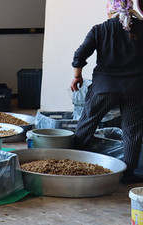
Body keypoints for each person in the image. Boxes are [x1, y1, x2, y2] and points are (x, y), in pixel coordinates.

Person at [70, 0, 143, 183]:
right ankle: (127, 174)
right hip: (135, 89)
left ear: (110, 10)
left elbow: (79, 55)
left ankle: (72, 164)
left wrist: (77, 76)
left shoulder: (100, 29)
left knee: (87, 124)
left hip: (104, 88)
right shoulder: (141, 28)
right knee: (132, 132)